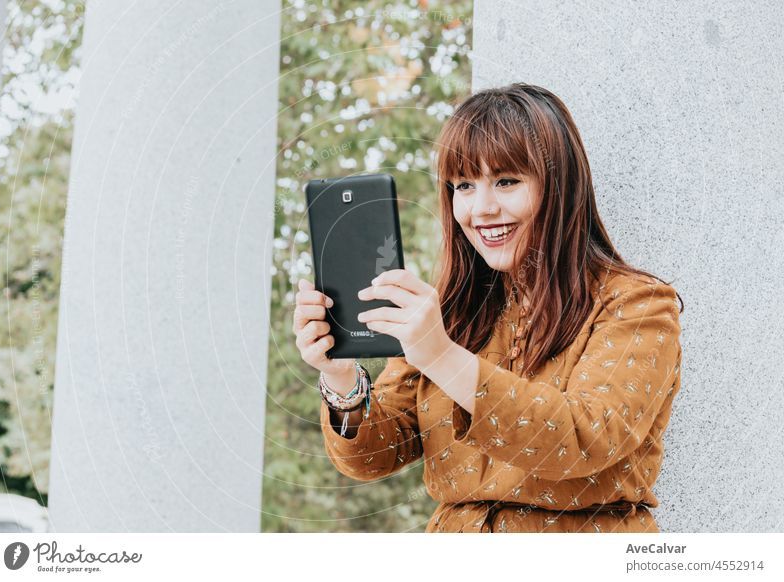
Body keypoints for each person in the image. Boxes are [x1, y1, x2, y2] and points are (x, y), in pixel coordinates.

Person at [293, 82, 684, 533]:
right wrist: (339, 374)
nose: (481, 209)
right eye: (463, 185)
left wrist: (440, 355)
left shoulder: (637, 305)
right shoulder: (452, 309)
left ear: (559, 185)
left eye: (506, 181)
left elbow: (584, 438)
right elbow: (374, 456)